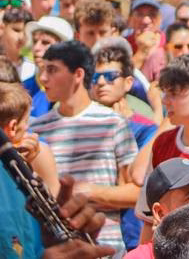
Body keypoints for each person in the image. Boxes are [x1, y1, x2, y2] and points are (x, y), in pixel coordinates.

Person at [30, 40, 140, 251]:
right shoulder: (38, 129)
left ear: (78, 75)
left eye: (52, 70)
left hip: (106, 248)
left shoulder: (113, 123)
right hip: (58, 249)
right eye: (42, 70)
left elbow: (135, 192)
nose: (43, 78)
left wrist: (88, 192)